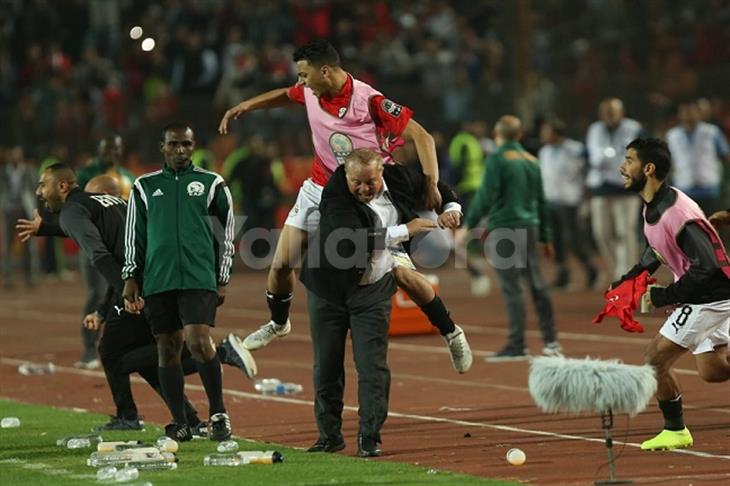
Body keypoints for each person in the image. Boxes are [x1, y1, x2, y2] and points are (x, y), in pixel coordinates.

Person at [218, 39, 472, 373]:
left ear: (326, 71)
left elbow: (422, 137)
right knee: (280, 266)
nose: (301, 82)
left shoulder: (369, 101)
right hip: (319, 190)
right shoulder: (311, 90)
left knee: (402, 275)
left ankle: (451, 332)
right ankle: (279, 323)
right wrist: (246, 105)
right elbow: (285, 94)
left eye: (305, 75)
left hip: (368, 195)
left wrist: (429, 182)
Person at [16, 168, 255, 433]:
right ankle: (188, 419)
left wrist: (126, 292)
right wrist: (46, 228)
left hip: (138, 285)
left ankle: (215, 356)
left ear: (62, 186)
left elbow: (100, 255)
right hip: (158, 278)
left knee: (115, 354)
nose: (38, 192)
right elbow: (106, 232)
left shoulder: (73, 210)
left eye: (42, 185)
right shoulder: (110, 202)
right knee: (151, 353)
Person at [300, 149, 462, 457]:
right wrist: (407, 229)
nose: (363, 189)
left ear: (382, 174)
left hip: (373, 288)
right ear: (345, 177)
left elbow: (439, 189)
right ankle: (329, 436)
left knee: (372, 366)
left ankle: (369, 437)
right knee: (327, 365)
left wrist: (452, 207)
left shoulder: (399, 177)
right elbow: (351, 240)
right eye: (356, 182)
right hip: (328, 288)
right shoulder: (334, 194)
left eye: (370, 182)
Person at [122, 123, 236, 442]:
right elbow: (135, 235)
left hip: (200, 277)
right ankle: (180, 420)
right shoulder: (144, 186)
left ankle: (218, 413)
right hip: (158, 278)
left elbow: (227, 234)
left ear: (193, 145)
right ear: (163, 147)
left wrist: (222, 277)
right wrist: (131, 275)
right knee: (167, 348)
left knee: (199, 342)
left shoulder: (211, 183)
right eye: (174, 144)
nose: (181, 150)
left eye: (186, 144)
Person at [616, 138, 730, 450]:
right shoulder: (655, 204)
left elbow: (705, 267)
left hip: (709, 298)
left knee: (655, 360)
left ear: (648, 168)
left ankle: (675, 429)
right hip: (710, 295)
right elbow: (655, 251)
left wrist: (664, 296)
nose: (621, 168)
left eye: (629, 161)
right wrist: (627, 281)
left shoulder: (675, 213)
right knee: (713, 370)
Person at [461, 115, 562, 361]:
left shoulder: (497, 159)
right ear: (519, 136)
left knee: (512, 287)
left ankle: (517, 344)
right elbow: (541, 201)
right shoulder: (531, 160)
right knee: (537, 283)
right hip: (530, 227)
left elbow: (486, 195)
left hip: (504, 228)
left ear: (498, 135)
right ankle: (551, 341)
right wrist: (546, 237)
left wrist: (469, 225)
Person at [74, 136, 135, 369]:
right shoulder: (85, 174)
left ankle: (124, 345)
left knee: (125, 294)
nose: (112, 152)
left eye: (116, 147)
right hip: (96, 247)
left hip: (122, 247)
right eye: (108, 147)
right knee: (97, 294)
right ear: (99, 149)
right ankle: (89, 348)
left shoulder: (128, 176)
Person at [586, 98, 643, 281]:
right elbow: (588, 155)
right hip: (599, 187)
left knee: (625, 232)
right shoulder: (594, 129)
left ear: (621, 112)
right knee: (601, 232)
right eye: (605, 111)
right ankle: (616, 267)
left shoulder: (634, 128)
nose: (609, 115)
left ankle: (626, 273)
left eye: (613, 111)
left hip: (626, 187)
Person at [538, 119, 597, 289]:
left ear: (556, 133)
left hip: (571, 199)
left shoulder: (576, 149)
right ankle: (562, 275)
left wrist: (586, 196)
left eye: (546, 131)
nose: (543, 135)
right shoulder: (544, 151)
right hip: (551, 199)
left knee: (572, 239)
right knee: (555, 240)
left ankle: (591, 269)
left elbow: (587, 171)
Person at [665, 101, 730, 216]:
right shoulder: (672, 135)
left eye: (692, 111)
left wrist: (724, 182)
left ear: (699, 113)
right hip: (684, 188)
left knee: (710, 226)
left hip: (708, 187)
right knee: (688, 227)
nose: (688, 115)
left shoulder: (711, 132)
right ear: (679, 115)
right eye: (685, 112)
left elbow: (725, 156)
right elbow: (668, 161)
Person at [1, 146, 38, 289]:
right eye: (13, 155)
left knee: (29, 245)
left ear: (21, 156)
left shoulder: (29, 171)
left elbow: (36, 188)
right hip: (9, 211)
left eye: (17, 155)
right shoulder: (4, 172)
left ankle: (31, 276)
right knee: (7, 245)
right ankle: (8, 278)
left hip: (25, 211)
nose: (15, 158)